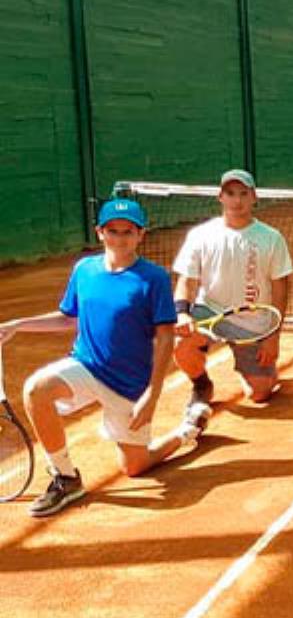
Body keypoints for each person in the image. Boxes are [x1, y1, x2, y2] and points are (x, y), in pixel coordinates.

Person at [0, 199, 203, 517]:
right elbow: (69, 319)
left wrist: (153, 394)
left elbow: (165, 337)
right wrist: (18, 325)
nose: (119, 239)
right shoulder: (84, 270)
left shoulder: (154, 279)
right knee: (36, 388)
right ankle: (66, 477)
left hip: (130, 385)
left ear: (140, 235)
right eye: (112, 231)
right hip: (87, 365)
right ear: (100, 232)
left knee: (134, 467)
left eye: (127, 232)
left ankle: (184, 432)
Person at [173, 170, 292, 426]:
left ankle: (259, 373)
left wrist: (273, 336)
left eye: (243, 194)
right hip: (210, 312)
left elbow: (280, 288)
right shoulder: (200, 235)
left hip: (253, 324)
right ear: (220, 197)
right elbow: (187, 280)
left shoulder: (271, 238)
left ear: (254, 197)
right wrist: (182, 312)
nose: (237, 201)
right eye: (230, 194)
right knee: (180, 343)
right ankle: (201, 386)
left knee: (260, 393)